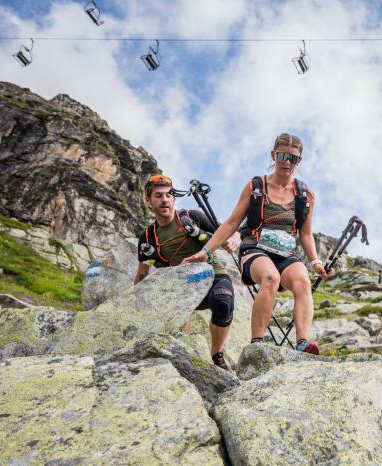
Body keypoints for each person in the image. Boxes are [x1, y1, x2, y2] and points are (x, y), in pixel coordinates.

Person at [182, 133, 328, 353]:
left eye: (294, 159)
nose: (287, 163)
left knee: (303, 281)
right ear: (273, 155)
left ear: (300, 161)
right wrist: (206, 250)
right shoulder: (256, 186)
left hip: (286, 253)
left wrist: (316, 261)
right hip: (255, 248)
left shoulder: (305, 194)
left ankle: (303, 343)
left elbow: (306, 234)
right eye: (282, 156)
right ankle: (257, 344)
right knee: (270, 277)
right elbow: (232, 222)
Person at [134, 174, 241, 373]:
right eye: (158, 196)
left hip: (213, 273)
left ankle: (217, 356)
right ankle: (181, 353)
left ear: (174, 198)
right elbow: (142, 274)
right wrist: (135, 301)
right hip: (182, 287)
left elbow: (229, 230)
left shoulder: (193, 217)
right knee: (177, 312)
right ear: (148, 200)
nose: (165, 199)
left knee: (223, 301)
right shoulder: (147, 238)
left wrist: (234, 238)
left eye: (169, 195)